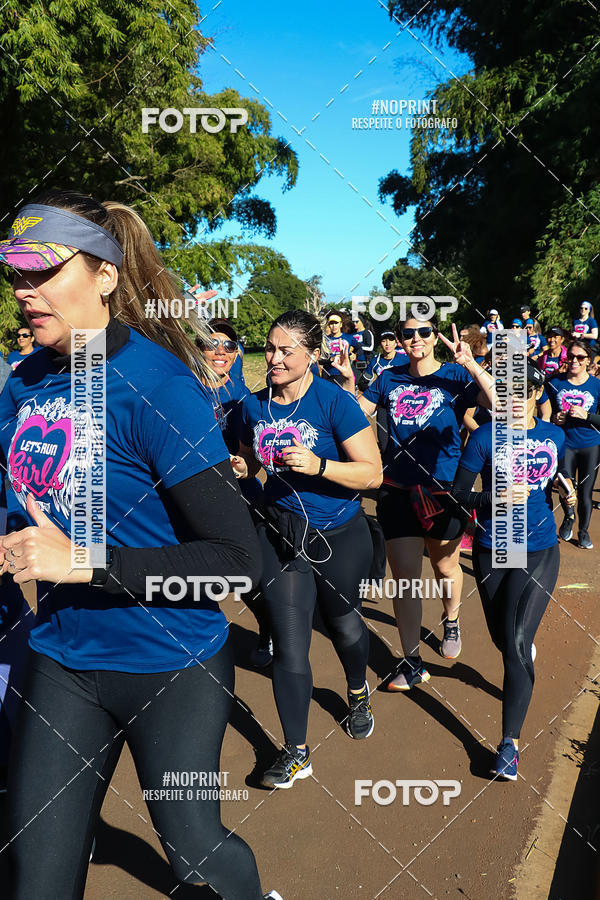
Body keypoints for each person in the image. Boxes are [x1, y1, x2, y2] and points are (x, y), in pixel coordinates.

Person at [0, 190, 281, 900]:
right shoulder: (24, 382)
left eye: (42, 270)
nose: (24, 292)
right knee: (34, 872)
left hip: (173, 664)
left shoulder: (157, 384)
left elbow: (237, 558)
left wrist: (85, 561)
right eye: (13, 274)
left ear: (104, 274)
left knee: (196, 854)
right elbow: (19, 504)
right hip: (62, 660)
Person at [234, 309, 382, 788]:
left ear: (313, 355)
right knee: (290, 640)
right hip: (281, 538)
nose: (272, 358)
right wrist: (242, 467)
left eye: (285, 351)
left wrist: (319, 465)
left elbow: (372, 473)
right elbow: (246, 459)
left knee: (342, 625)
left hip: (338, 536)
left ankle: (357, 691)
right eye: (270, 348)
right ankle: (296, 751)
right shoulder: (253, 406)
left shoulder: (335, 402)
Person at [355, 318, 494, 689]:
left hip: (443, 490)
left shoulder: (454, 376)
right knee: (405, 581)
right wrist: (348, 386)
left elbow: (500, 403)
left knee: (446, 567)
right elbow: (357, 414)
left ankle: (451, 620)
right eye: (408, 333)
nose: (416, 339)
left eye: (424, 332)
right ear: (400, 340)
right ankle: (412, 661)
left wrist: (471, 363)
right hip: (397, 489)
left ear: (435, 338)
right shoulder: (388, 377)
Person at [452, 363, 576, 780]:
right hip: (493, 547)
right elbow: (456, 497)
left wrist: (563, 484)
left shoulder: (554, 434)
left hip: (539, 546)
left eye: (526, 393)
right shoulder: (485, 437)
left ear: (539, 394)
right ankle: (518, 648)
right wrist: (494, 496)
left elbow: (555, 469)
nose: (516, 402)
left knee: (518, 640)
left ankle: (509, 744)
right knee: (503, 639)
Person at [197, 318, 272, 667]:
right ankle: (198, 641)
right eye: (212, 344)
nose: (220, 351)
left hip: (240, 491)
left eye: (228, 346)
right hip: (193, 493)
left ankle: (269, 626)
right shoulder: (184, 388)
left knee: (246, 571)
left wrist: (241, 463)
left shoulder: (241, 395)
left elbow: (252, 456)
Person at [546, 340, 600, 549]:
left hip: (591, 445)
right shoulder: (555, 382)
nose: (574, 361)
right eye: (571, 356)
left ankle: (583, 531)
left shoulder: (596, 386)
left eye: (580, 357)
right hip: (565, 444)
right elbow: (542, 410)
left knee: (586, 492)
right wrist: (554, 418)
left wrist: (587, 415)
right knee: (566, 487)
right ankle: (569, 516)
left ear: (588, 360)